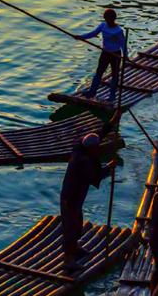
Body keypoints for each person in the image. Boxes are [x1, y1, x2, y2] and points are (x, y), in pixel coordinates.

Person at [60, 109, 121, 272]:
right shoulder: (83, 161)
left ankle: (75, 249)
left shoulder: (82, 148)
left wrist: (113, 120)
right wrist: (109, 167)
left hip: (76, 197)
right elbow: (95, 176)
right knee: (71, 228)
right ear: (92, 149)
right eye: (97, 148)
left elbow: (99, 134)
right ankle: (68, 260)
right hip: (71, 198)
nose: (98, 149)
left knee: (77, 224)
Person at [74, 8, 128, 101]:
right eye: (106, 19)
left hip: (115, 55)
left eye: (109, 19)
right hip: (105, 53)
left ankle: (112, 96)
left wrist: (125, 56)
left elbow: (123, 44)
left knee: (115, 75)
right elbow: (93, 33)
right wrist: (81, 37)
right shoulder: (103, 26)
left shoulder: (118, 31)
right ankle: (92, 92)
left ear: (113, 19)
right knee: (99, 72)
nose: (108, 21)